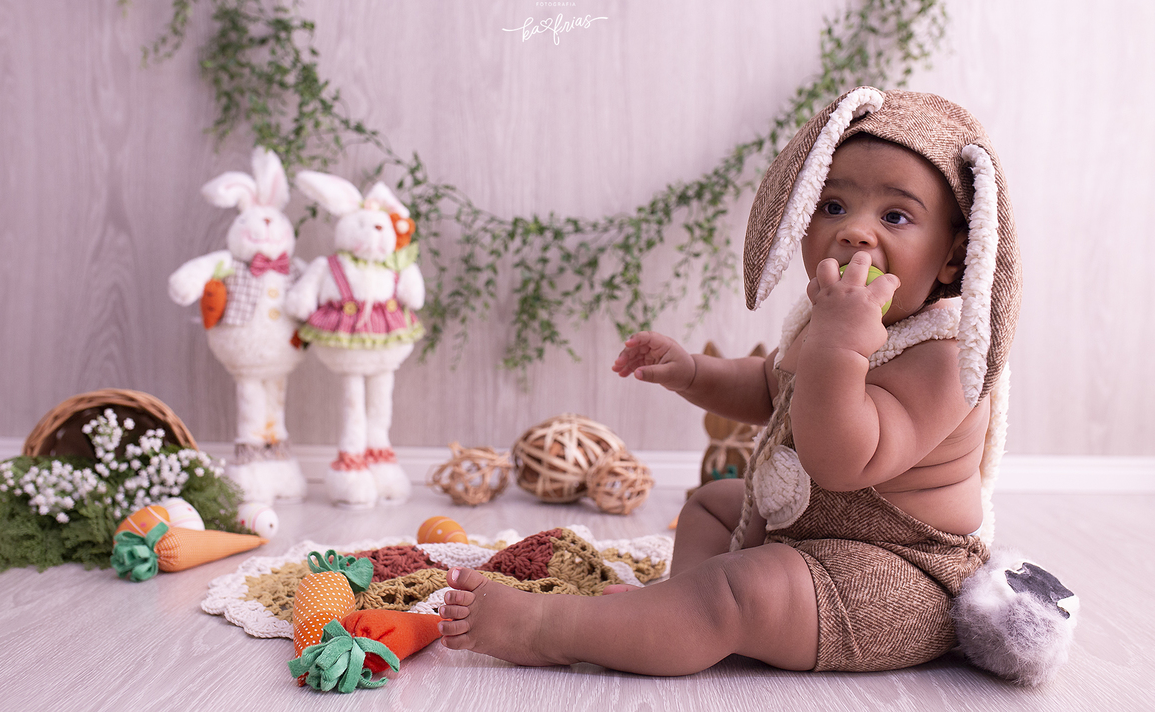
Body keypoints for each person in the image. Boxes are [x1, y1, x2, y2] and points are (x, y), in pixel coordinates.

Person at [436, 87, 1021, 675]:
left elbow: (841, 459)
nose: (855, 233)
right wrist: (693, 372)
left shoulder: (944, 360)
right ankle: (672, 614)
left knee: (743, 590)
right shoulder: (825, 324)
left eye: (895, 216)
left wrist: (841, 345)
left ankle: (550, 630)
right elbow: (773, 391)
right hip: (810, 539)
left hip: (895, 577)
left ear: (954, 259)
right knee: (715, 504)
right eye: (833, 206)